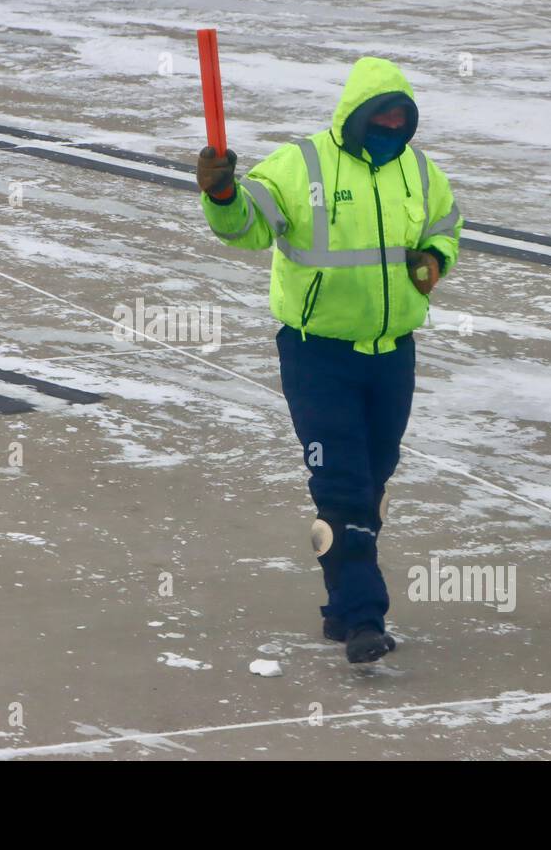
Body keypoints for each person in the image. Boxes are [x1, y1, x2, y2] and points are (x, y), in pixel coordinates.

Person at [196, 57, 462, 663]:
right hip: (318, 354)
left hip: (392, 353)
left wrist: (435, 259)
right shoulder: (302, 164)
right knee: (342, 485)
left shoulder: (419, 171)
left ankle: (341, 611)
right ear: (356, 114)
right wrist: (220, 191)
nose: (392, 126)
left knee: (372, 481)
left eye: (402, 118)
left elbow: (447, 223)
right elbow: (245, 226)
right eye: (382, 116)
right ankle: (366, 617)